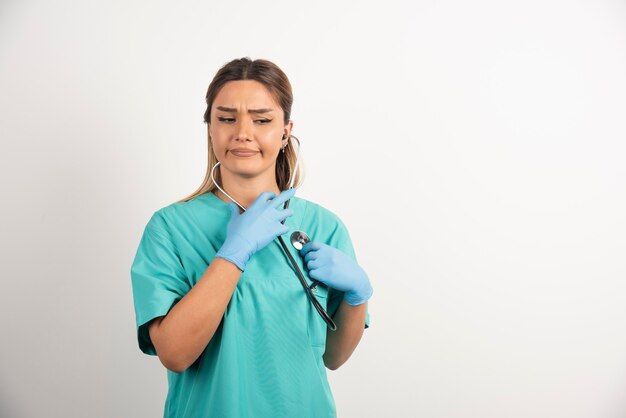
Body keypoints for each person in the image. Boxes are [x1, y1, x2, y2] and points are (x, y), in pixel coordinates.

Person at [130, 57, 373, 418]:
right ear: (210, 128)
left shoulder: (323, 226)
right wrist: (234, 252)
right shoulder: (169, 228)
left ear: (286, 130)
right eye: (226, 118)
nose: (243, 132)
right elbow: (175, 354)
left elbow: (333, 357)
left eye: (262, 120)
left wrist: (358, 296)